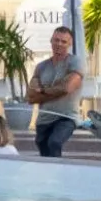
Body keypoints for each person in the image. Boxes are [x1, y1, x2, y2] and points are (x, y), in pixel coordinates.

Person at [25, 26, 86, 158]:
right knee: (43, 149)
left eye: (63, 41)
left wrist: (43, 91)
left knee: (55, 142)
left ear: (70, 44)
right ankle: (48, 177)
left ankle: (59, 175)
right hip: (44, 119)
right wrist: (56, 89)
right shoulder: (41, 67)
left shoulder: (75, 62)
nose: (59, 44)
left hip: (66, 117)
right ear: (51, 41)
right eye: (56, 40)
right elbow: (30, 97)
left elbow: (68, 88)